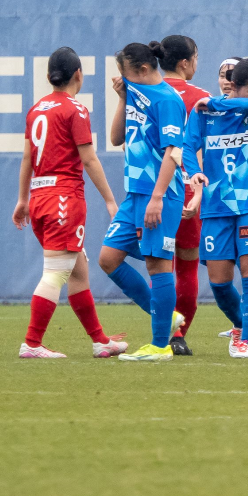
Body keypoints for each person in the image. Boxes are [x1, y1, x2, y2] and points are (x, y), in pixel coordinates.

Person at [12, 48, 127, 358]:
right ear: (79, 74)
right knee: (56, 273)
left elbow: (27, 157)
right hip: (63, 199)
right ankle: (32, 343)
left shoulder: (37, 109)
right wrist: (110, 200)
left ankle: (100, 341)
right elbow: (88, 159)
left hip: (39, 197)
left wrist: (23, 199)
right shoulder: (75, 110)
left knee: (77, 271)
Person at [98, 42, 200, 362]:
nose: (122, 79)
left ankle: (159, 346)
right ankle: (165, 316)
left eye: (125, 75)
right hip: (135, 195)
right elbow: (116, 139)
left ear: (143, 70)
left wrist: (157, 197)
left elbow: (174, 152)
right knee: (108, 258)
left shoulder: (168, 99)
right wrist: (123, 98)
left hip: (161, 195)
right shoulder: (137, 94)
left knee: (158, 266)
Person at [185, 58, 248, 358]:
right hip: (216, 205)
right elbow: (188, 146)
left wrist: (217, 104)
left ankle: (245, 342)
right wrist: (193, 171)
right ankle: (241, 324)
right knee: (220, 282)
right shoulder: (202, 113)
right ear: (235, 84)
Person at [159, 34, 209, 355]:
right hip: (187, 189)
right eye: (196, 57)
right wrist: (197, 190)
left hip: (152, 191)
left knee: (158, 266)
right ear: (185, 62)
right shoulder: (201, 98)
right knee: (188, 266)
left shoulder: (147, 93)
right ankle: (177, 335)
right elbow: (200, 149)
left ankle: (159, 331)